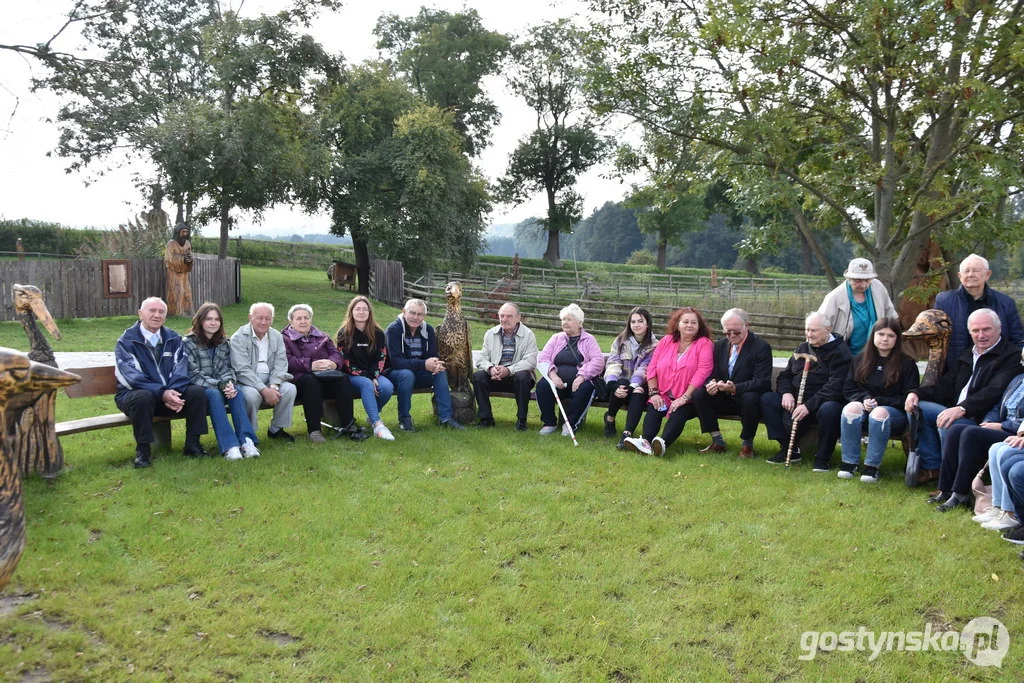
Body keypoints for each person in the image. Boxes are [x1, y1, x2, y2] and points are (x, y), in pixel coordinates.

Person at [907, 308, 1021, 487]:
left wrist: (962, 409)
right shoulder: (969, 353)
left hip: (980, 419)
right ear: (970, 332)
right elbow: (946, 386)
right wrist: (916, 393)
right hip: (957, 410)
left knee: (949, 423)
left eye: (986, 329)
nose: (981, 335)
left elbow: (994, 391)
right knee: (917, 407)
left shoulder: (1011, 356)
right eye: (976, 330)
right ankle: (933, 467)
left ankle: (952, 480)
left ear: (999, 330)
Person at [114, 297, 209, 468]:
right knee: (142, 397)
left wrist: (173, 393)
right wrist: (162, 393)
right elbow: (131, 377)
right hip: (134, 397)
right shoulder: (126, 341)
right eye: (152, 310)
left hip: (169, 397)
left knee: (197, 392)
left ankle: (192, 445)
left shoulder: (173, 338)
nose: (157, 315)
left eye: (161, 312)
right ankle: (143, 452)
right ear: (140, 313)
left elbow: (181, 369)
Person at [928, 349, 1024, 511]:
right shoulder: (1018, 379)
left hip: (1015, 434)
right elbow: (997, 405)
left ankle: (961, 494)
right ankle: (946, 489)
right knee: (956, 429)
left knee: (971, 434)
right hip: (998, 426)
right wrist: (989, 421)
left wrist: (1002, 426)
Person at [761, 312, 852, 471]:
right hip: (796, 399)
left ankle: (823, 457)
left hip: (823, 402)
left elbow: (836, 386)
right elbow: (785, 375)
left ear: (828, 329)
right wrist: (786, 393)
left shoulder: (841, 352)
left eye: (814, 330)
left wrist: (808, 406)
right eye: (807, 330)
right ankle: (789, 448)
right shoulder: (802, 348)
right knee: (768, 399)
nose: (809, 334)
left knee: (830, 410)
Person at [623, 307, 714, 456]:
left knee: (679, 411)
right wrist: (654, 393)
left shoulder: (704, 343)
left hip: (688, 398)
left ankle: (661, 444)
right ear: (678, 324)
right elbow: (652, 366)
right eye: (685, 322)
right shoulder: (666, 341)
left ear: (699, 326)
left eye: (693, 322)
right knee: (655, 405)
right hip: (664, 393)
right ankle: (645, 442)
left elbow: (703, 371)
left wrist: (684, 397)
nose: (689, 325)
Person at [837, 318, 919, 482]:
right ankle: (849, 463)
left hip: (893, 414)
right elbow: (849, 388)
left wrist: (879, 401)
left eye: (891, 335)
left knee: (879, 412)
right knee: (851, 409)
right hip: (865, 408)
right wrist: (865, 399)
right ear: (873, 335)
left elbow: (907, 396)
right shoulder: (860, 359)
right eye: (880, 334)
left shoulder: (907, 363)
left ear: (897, 339)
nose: (885, 339)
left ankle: (871, 467)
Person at [183, 303, 260, 461]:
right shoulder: (188, 343)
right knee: (213, 394)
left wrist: (229, 382)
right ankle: (229, 446)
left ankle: (246, 441)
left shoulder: (223, 342)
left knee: (236, 392)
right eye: (208, 319)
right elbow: (193, 373)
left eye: (217, 319)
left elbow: (227, 368)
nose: (213, 323)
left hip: (221, 386)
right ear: (200, 321)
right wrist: (219, 385)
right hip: (201, 390)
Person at [691, 308, 773, 458]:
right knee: (699, 394)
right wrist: (711, 384)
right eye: (728, 332)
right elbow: (712, 372)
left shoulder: (761, 347)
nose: (732, 336)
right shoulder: (720, 345)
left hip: (747, 398)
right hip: (724, 397)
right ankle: (717, 440)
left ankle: (747, 445)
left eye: (736, 332)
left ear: (746, 325)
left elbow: (762, 382)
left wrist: (735, 388)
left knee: (750, 398)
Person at [283, 304, 360, 443]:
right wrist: (310, 365)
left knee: (343, 379)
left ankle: (348, 425)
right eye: (298, 318)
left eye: (306, 318)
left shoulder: (322, 336)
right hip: (301, 381)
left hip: (325, 377)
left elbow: (336, 353)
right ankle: (314, 431)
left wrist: (333, 363)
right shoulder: (285, 338)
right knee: (310, 382)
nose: (303, 321)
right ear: (291, 321)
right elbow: (287, 360)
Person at [384, 298, 466, 431]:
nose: (416, 317)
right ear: (404, 312)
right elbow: (396, 362)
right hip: (394, 374)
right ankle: (404, 420)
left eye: (420, 314)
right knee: (407, 375)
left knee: (440, 372)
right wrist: (424, 364)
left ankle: (446, 418)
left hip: (418, 373)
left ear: (424, 316)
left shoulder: (427, 330)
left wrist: (436, 364)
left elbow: (432, 355)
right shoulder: (394, 330)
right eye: (412, 313)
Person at [936, 254, 1024, 373]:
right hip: (955, 370)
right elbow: (936, 338)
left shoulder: (1005, 303)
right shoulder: (944, 301)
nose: (970, 274)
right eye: (966, 271)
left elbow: (1017, 339)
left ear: (987, 275)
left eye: (976, 270)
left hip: (995, 371)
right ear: (960, 276)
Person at [230, 303, 298, 443]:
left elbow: (281, 363)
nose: (263, 322)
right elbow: (242, 370)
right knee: (251, 396)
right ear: (250, 318)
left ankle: (276, 430)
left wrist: (273, 386)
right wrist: (263, 389)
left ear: (272, 319)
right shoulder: (239, 337)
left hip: (270, 379)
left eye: (268, 318)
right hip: (247, 381)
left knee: (289, 389)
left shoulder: (276, 336)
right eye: (259, 318)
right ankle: (249, 435)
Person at [536, 303, 604, 436]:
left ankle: (570, 425)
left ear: (579, 322)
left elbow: (598, 361)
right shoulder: (556, 338)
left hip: (578, 383)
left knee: (586, 388)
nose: (565, 323)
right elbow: (543, 358)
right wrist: (553, 376)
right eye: (563, 320)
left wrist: (581, 376)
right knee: (542, 386)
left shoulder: (589, 340)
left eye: (569, 319)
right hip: (557, 382)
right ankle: (549, 423)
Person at [337, 296, 395, 441]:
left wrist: (373, 376)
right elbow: (345, 361)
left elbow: (382, 358)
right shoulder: (344, 333)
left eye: (365, 309)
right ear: (351, 312)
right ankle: (378, 425)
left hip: (372, 374)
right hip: (352, 376)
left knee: (387, 387)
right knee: (366, 384)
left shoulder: (378, 333)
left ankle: (371, 416)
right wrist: (368, 377)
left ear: (369, 312)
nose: (361, 312)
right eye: (357, 309)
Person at [472, 302, 538, 431]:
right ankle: (486, 419)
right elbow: (481, 357)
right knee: (478, 376)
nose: (504, 319)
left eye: (509, 316)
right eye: (502, 316)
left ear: (519, 318)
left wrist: (509, 370)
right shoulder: (491, 333)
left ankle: (521, 421)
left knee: (522, 376)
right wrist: (490, 369)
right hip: (495, 376)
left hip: (516, 378)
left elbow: (530, 361)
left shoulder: (528, 335)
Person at [817, 257, 898, 356]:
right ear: (849, 278)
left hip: (876, 353)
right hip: (844, 355)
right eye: (858, 280)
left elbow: (891, 317)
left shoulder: (878, 288)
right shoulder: (834, 297)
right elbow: (820, 327)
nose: (863, 285)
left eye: (867, 280)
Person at [603, 307, 657, 449]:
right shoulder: (621, 340)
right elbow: (613, 361)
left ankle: (627, 434)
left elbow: (645, 368)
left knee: (638, 392)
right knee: (620, 384)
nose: (636, 325)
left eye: (640, 321)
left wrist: (634, 385)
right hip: (622, 382)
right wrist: (612, 384)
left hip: (643, 383)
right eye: (633, 321)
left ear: (648, 324)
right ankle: (610, 417)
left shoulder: (655, 345)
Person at [164, 222, 194, 316]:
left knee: (187, 292)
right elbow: (169, 259)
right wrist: (182, 259)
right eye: (183, 232)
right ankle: (176, 312)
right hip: (174, 275)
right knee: (177, 292)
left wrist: (189, 259)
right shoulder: (171, 244)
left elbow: (189, 254)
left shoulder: (187, 243)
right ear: (178, 232)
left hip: (185, 275)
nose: (185, 234)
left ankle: (187, 311)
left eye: (186, 232)